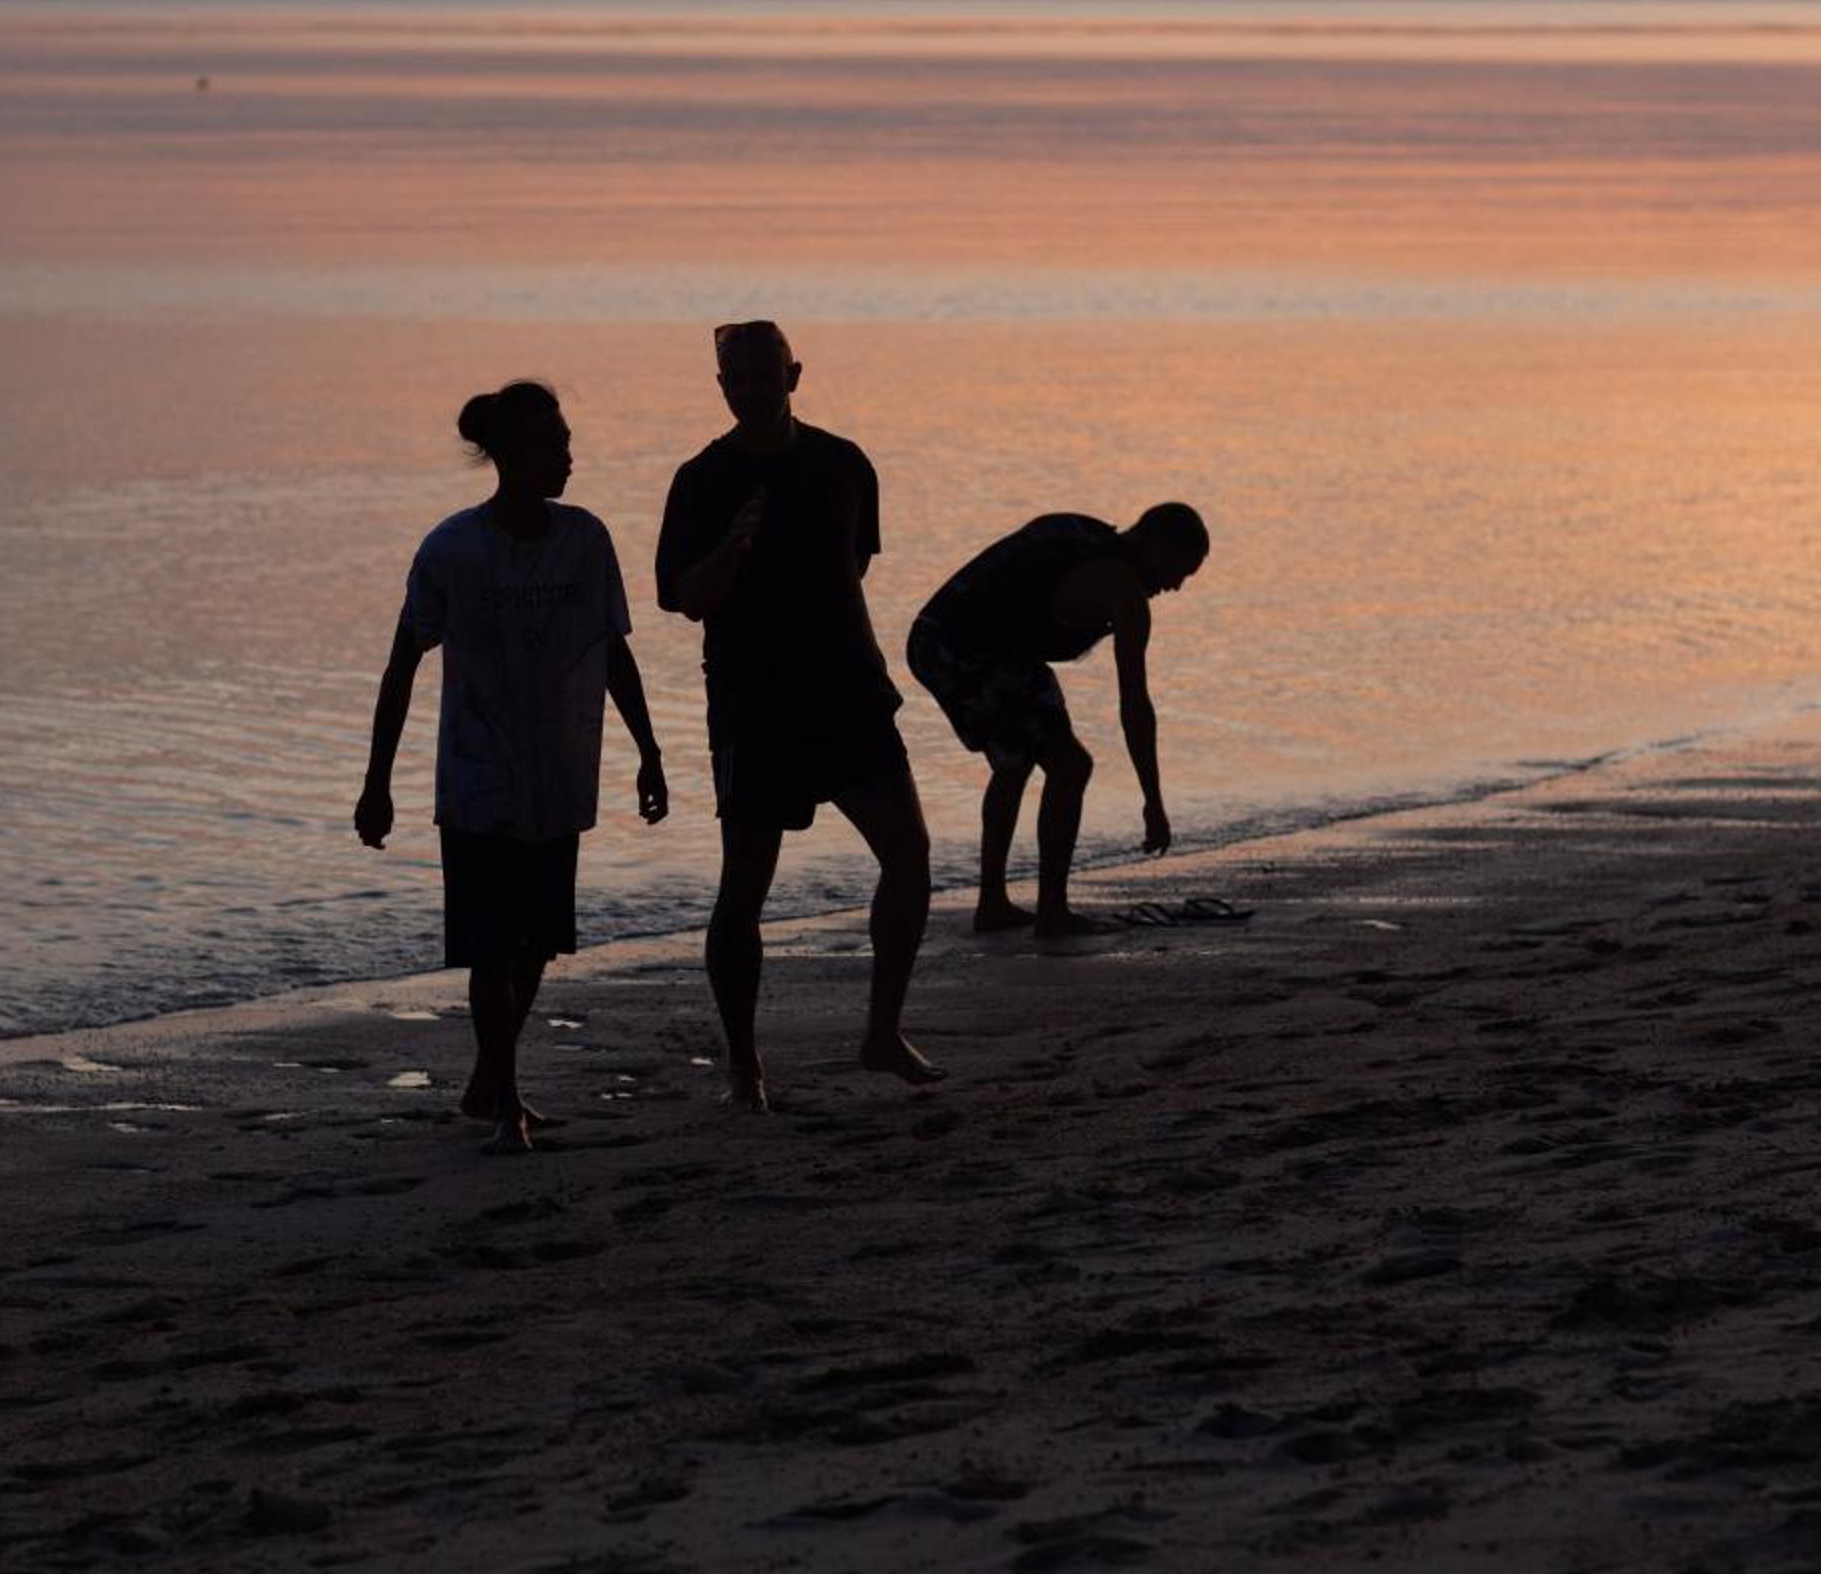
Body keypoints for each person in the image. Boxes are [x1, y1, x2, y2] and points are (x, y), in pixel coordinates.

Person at [355, 381, 667, 1153]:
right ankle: (506, 1104)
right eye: (550, 445)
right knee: (491, 947)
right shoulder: (452, 549)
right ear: (506, 455)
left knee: (537, 944)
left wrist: (651, 752)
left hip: (559, 774)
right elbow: (402, 665)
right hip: (476, 778)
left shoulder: (585, 539)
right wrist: (376, 784)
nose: (567, 457)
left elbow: (611, 651)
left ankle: (489, 1081)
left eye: (566, 442)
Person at [655, 320, 936, 1108]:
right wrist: (732, 549)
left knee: (909, 855)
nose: (751, 389)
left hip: (849, 691)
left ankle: (882, 1033)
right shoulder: (702, 479)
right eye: (737, 378)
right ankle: (744, 1066)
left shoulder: (843, 463)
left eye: (765, 374)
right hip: (754, 705)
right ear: (721, 388)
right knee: (744, 886)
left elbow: (854, 568)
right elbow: (684, 599)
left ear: (794, 375)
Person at [905, 504, 1209, 938]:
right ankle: (1051, 913)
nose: (1175, 585)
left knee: (1017, 761)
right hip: (956, 644)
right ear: (1155, 544)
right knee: (1069, 766)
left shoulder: (1088, 534)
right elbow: (1135, 704)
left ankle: (994, 905)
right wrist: (1153, 802)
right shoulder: (1123, 589)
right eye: (1180, 569)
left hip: (954, 638)